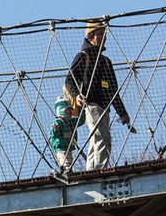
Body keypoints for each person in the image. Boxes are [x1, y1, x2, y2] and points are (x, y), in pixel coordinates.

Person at [64, 20, 131, 170]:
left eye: (103, 34)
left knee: (96, 139)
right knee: (103, 138)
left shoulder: (106, 62)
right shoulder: (83, 56)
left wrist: (122, 113)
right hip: (91, 103)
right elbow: (70, 80)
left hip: (104, 107)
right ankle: (99, 170)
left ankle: (91, 171)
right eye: (99, 34)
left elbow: (114, 91)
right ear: (90, 37)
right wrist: (76, 96)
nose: (103, 37)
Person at [49, 91, 81, 176]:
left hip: (69, 146)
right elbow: (53, 134)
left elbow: (80, 120)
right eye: (68, 110)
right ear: (62, 110)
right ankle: (66, 170)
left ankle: (68, 170)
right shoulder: (58, 122)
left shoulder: (72, 122)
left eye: (71, 110)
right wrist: (55, 129)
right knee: (64, 160)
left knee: (70, 160)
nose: (71, 112)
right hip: (60, 147)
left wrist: (83, 110)